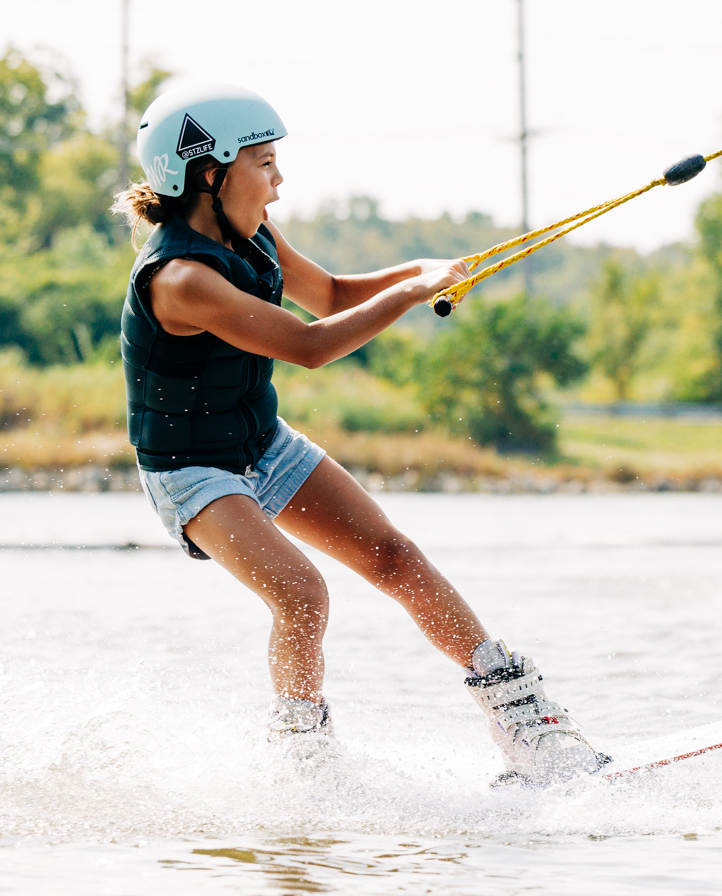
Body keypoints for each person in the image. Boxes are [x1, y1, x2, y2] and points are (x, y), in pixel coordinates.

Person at [110, 81, 601, 785]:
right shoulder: (181, 278)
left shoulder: (251, 235)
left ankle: (525, 721)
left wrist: (423, 269)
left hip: (261, 442)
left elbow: (333, 294)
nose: (279, 184)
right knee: (301, 593)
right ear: (208, 171)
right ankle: (301, 763)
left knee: (395, 556)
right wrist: (408, 294)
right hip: (191, 468)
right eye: (265, 165)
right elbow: (310, 345)